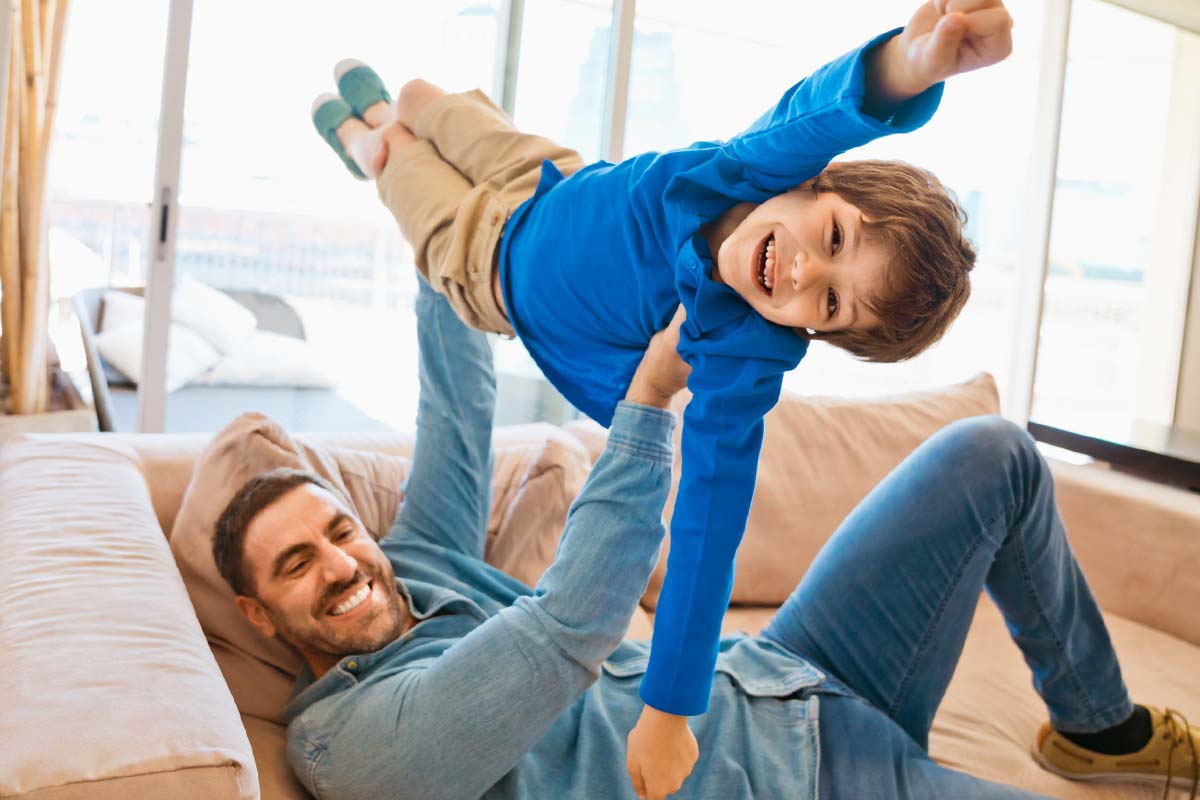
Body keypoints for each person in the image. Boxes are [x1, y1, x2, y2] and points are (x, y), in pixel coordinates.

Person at [308, 1, 1016, 788]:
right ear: (818, 187)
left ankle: (364, 143)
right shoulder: (747, 169)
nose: (805, 273)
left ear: (817, 335)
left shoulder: (737, 354)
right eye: (837, 240)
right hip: (545, 176)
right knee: (416, 98)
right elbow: (826, 107)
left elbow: (709, 527)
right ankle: (383, 118)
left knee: (398, 156)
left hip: (483, 269)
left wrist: (670, 709)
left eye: (830, 304)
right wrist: (912, 67)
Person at [214, 277, 1198, 800]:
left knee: (993, 453)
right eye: (297, 564)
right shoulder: (347, 744)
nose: (341, 563)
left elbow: (456, 402)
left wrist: (433, 215)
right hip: (806, 778)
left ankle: (1097, 729)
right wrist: (650, 394)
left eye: (338, 531)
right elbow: (569, 626)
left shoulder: (417, 563)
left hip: (788, 669)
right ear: (260, 612)